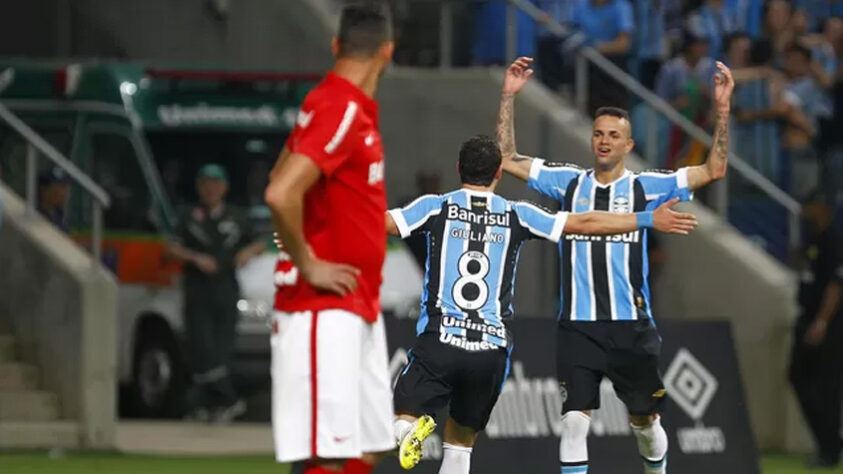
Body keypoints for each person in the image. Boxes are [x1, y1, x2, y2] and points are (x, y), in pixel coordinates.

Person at [388, 135, 697, 474]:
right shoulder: (516, 214)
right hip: (490, 350)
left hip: (441, 340)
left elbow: (382, 223)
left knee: (403, 412)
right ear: (498, 174)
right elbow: (586, 222)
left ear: (459, 168)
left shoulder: (436, 206)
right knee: (460, 444)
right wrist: (647, 219)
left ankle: (407, 431)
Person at [497, 56, 734, 474]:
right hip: (577, 326)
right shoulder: (567, 182)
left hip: (632, 329)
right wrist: (508, 97)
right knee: (573, 423)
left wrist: (723, 110)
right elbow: (507, 158)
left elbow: (714, 169)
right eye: (598, 134)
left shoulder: (647, 187)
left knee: (644, 424)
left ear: (629, 145)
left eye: (614, 135)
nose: (604, 141)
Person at [263, 3, 395, 474]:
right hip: (324, 304)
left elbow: (282, 174)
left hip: (357, 301)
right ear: (388, 52)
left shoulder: (336, 106)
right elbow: (281, 193)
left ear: (336, 45)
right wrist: (307, 260)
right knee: (330, 453)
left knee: (367, 444)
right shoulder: (341, 106)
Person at [166, 164, 265, 422]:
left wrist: (247, 253)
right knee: (201, 347)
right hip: (198, 289)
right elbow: (171, 247)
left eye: (216, 184)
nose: (211, 189)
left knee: (222, 348)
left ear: (224, 188)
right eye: (206, 184)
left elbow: (259, 242)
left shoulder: (236, 216)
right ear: (199, 187)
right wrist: (196, 258)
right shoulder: (189, 215)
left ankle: (206, 404)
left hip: (226, 287)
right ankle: (227, 400)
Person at [788, 191, 843, 469]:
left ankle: (830, 449)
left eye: (809, 207)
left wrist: (822, 322)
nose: (804, 212)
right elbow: (804, 267)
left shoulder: (835, 238)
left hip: (828, 324)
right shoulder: (811, 236)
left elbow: (836, 284)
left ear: (822, 208)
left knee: (826, 386)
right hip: (806, 315)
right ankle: (827, 440)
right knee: (797, 376)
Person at [568, 0, 635, 112]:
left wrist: (596, 47)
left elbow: (623, 44)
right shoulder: (581, 5)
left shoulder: (621, 7)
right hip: (586, 65)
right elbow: (573, 32)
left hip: (612, 66)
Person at [37, 167, 71, 233]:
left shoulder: (59, 215)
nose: (64, 192)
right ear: (44, 189)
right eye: (61, 186)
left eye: (66, 187)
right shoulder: (33, 212)